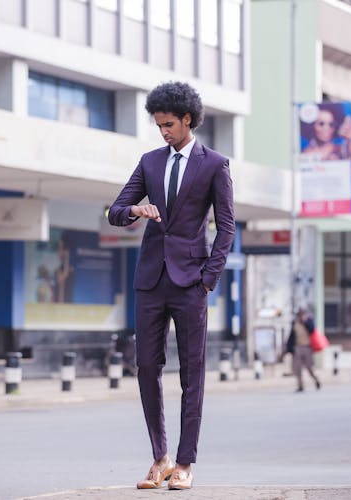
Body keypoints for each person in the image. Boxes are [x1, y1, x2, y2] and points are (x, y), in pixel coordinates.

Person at [108, 81, 235, 490]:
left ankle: (184, 463)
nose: (162, 131)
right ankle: (160, 457)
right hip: (150, 281)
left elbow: (227, 227)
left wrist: (209, 279)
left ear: (187, 120)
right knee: (146, 367)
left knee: (192, 375)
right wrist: (134, 209)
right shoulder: (149, 162)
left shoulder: (214, 164)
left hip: (190, 283)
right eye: (157, 125)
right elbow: (115, 210)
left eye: (168, 124)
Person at [285, 308, 321, 392]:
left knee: (309, 367)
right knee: (297, 368)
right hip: (297, 348)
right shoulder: (295, 323)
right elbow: (291, 337)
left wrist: (305, 321)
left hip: (307, 347)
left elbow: (312, 330)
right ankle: (300, 385)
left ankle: (316, 380)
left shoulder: (308, 322)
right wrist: (289, 348)